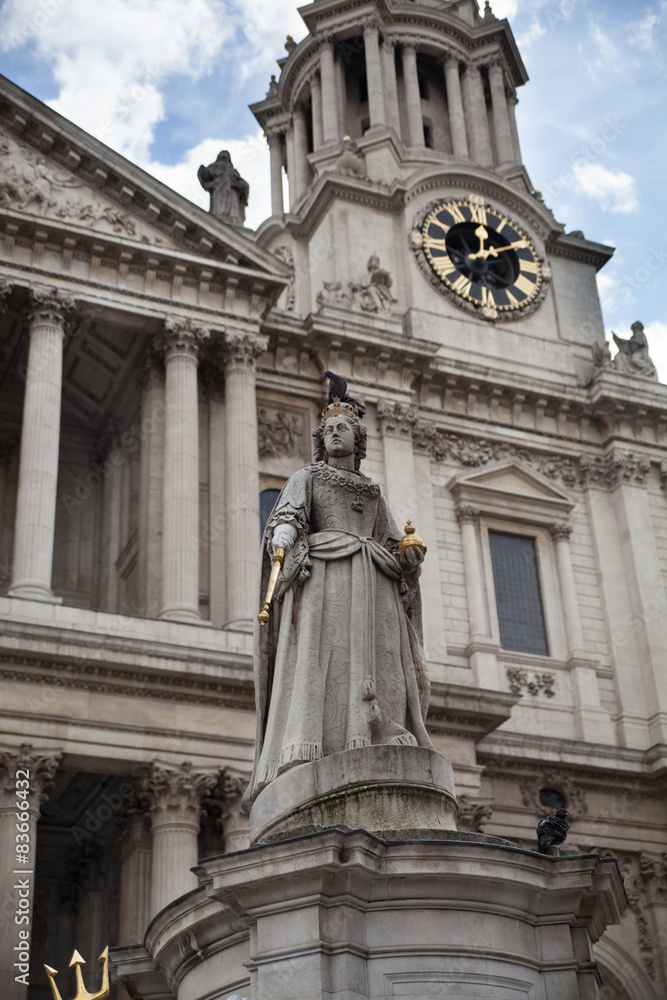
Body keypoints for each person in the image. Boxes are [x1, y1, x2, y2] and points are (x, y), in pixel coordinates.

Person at [243, 398, 433, 811]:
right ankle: (314, 741)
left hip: (374, 579)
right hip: (328, 579)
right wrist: (285, 533)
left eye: (344, 427)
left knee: (383, 657)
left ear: (358, 439)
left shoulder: (372, 491)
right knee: (325, 653)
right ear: (321, 440)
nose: (335, 432)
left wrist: (408, 557)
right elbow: (289, 515)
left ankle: (383, 729)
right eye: (329, 429)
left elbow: (389, 539)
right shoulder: (306, 476)